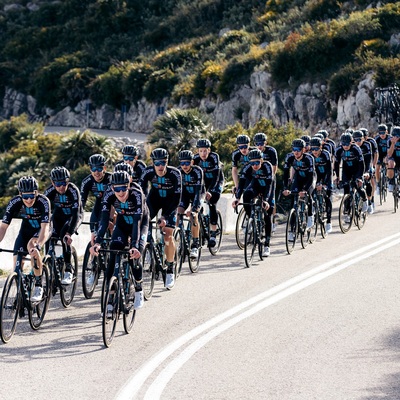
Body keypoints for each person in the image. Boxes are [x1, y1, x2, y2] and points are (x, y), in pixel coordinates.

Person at [90, 171, 149, 311]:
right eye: (117, 189)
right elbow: (104, 221)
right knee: (114, 251)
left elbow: (137, 222)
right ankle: (110, 295)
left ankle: (139, 289)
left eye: (124, 188)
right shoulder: (109, 195)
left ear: (129, 185)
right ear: (112, 188)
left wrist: (135, 246)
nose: (121, 192)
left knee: (135, 255)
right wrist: (97, 242)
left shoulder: (136, 194)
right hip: (122, 224)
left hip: (140, 224)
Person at [0, 176, 51, 302]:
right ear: (20, 194)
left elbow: (45, 229)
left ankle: (39, 285)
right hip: (25, 231)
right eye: (25, 196)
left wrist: (39, 245)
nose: (28, 200)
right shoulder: (15, 202)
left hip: (42, 229)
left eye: (32, 196)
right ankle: (21, 293)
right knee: (17, 264)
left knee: (32, 246)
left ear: (36, 193)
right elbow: (3, 227)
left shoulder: (43, 202)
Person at [139, 148, 182, 289]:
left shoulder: (175, 173)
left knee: (168, 235)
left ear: (167, 162)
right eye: (157, 163)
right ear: (152, 163)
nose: (160, 166)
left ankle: (170, 268)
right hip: (154, 200)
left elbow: (177, 199)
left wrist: (165, 216)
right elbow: (141, 193)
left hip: (170, 203)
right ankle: (148, 248)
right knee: (141, 222)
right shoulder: (148, 172)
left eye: (163, 163)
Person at [44, 166, 83, 285]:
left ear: (68, 181)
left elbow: (76, 214)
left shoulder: (73, 190)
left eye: (64, 183)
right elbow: (43, 211)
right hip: (58, 216)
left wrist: (69, 233)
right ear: (52, 182)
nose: (61, 186)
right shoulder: (50, 191)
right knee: (48, 237)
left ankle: (68, 269)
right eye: (57, 184)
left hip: (73, 217)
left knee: (63, 237)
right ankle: (49, 264)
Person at [232, 149, 274, 256]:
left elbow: (269, 185)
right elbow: (241, 185)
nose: (254, 165)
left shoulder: (267, 166)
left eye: (257, 163)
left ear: (262, 160)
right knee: (246, 195)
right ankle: (252, 218)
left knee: (267, 213)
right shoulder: (247, 167)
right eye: (252, 163)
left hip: (267, 188)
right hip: (256, 185)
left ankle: (267, 245)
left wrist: (265, 200)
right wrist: (237, 198)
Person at [193, 138, 224, 247]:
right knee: (197, 203)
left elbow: (216, 176)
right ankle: (202, 226)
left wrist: (210, 191)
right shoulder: (195, 159)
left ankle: (213, 233)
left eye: (205, 151)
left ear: (209, 150)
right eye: (200, 151)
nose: (203, 153)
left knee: (212, 203)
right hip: (204, 182)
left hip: (216, 182)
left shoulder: (214, 157)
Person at [282, 138, 316, 238]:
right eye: (294, 149)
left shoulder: (309, 158)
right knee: (293, 202)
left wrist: (305, 190)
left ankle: (310, 216)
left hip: (309, 179)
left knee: (308, 194)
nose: (296, 152)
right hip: (299, 178)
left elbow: (311, 177)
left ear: (303, 150)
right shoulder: (289, 157)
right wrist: (285, 188)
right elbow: (285, 174)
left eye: (298, 149)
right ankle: (292, 230)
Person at [177, 150, 205, 259]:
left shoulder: (198, 171)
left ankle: (195, 244)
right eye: (182, 163)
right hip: (184, 195)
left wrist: (194, 209)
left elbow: (198, 192)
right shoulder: (178, 171)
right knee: (178, 213)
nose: (184, 166)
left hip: (197, 194)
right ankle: (178, 235)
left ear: (192, 162)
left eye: (187, 163)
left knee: (194, 216)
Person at [80, 154, 113, 244]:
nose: (96, 172)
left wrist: (110, 219)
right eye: (93, 169)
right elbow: (81, 202)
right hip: (99, 205)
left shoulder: (111, 179)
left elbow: (115, 201)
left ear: (104, 168)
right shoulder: (87, 181)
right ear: (90, 169)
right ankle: (93, 256)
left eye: (99, 168)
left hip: (113, 205)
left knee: (111, 225)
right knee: (93, 229)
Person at [334, 132, 368, 216]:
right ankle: (347, 211)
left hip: (357, 169)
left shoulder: (356, 148)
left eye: (347, 144)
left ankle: (365, 200)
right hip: (346, 170)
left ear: (351, 142)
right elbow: (336, 164)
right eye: (343, 144)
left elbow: (361, 164)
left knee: (358, 186)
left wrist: (359, 177)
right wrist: (338, 177)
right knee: (346, 190)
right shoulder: (339, 150)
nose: (345, 146)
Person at [253, 132, 278, 233]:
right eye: (257, 144)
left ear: (265, 143)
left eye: (261, 144)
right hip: (257, 176)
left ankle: (272, 220)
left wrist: (270, 177)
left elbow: (275, 167)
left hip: (269, 175)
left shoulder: (271, 151)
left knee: (271, 199)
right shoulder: (253, 152)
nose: (259, 146)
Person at [309, 137, 333, 233]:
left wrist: (324, 185)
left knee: (327, 197)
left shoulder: (326, 154)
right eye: (312, 149)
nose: (314, 151)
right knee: (311, 192)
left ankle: (329, 222)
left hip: (326, 176)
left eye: (316, 149)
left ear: (321, 147)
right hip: (316, 177)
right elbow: (310, 173)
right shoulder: (310, 156)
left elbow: (329, 171)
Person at [353, 130, 374, 214]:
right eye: (355, 140)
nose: (357, 142)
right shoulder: (352, 147)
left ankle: (369, 202)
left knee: (367, 181)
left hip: (366, 166)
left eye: (359, 140)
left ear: (363, 139)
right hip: (357, 167)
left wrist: (367, 172)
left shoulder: (367, 145)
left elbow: (369, 159)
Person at [360, 127, 378, 210]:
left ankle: (372, 198)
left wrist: (373, 166)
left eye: (365, 136)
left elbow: (375, 154)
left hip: (369, 162)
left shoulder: (371, 142)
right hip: (360, 164)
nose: (365, 138)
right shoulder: (357, 143)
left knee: (371, 179)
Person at [374, 123, 391, 193]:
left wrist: (387, 156)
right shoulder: (377, 139)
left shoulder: (390, 138)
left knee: (388, 164)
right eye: (380, 133)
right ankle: (378, 184)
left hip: (388, 154)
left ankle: (387, 178)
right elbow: (375, 150)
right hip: (379, 155)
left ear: (387, 132)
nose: (382, 135)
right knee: (377, 168)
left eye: (383, 132)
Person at [386, 126, 400, 192]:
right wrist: (393, 144)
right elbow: (389, 154)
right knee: (390, 163)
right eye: (394, 135)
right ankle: (391, 181)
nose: (396, 137)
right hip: (393, 157)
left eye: (398, 136)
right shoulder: (389, 141)